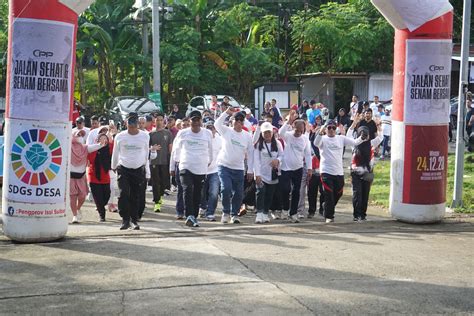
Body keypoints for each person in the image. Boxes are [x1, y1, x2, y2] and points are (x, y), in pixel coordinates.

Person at [111, 112, 155, 230]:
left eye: (134, 123)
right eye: (129, 123)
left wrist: (147, 171)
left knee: (136, 195)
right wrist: (113, 166)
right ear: (126, 123)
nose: (131, 126)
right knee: (123, 193)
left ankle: (134, 220)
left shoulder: (145, 136)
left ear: (138, 124)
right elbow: (116, 152)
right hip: (123, 168)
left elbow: (146, 154)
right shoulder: (120, 136)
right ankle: (125, 220)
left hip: (138, 168)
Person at [170, 110, 213, 227]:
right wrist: (174, 164)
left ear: (201, 121)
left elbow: (210, 150)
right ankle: (188, 215)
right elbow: (175, 149)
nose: (195, 122)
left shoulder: (207, 133)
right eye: (193, 120)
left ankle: (193, 216)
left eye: (197, 120)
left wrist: (208, 162)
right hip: (185, 166)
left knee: (197, 193)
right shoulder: (182, 133)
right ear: (189, 121)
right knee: (187, 189)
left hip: (200, 168)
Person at [313, 119, 361, 223]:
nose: (331, 130)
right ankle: (329, 216)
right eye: (329, 128)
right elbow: (316, 143)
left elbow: (355, 142)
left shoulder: (341, 138)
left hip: (338, 171)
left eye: (333, 128)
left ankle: (326, 206)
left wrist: (363, 137)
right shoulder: (323, 139)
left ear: (336, 129)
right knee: (329, 194)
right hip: (326, 171)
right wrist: (320, 132)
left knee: (338, 193)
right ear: (326, 129)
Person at [215, 108, 254, 224]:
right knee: (225, 188)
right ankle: (226, 212)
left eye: (241, 121)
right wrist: (226, 112)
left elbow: (251, 154)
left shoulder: (247, 136)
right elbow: (217, 124)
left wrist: (251, 170)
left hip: (239, 168)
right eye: (236, 120)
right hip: (224, 165)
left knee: (239, 192)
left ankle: (234, 214)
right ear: (233, 121)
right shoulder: (227, 131)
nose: (238, 123)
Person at [278, 110, 313, 223]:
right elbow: (280, 132)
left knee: (296, 191)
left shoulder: (305, 139)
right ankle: (284, 208)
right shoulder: (288, 136)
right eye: (297, 130)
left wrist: (309, 168)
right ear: (293, 128)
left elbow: (307, 154)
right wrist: (289, 121)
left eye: (301, 131)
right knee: (285, 189)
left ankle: (293, 213)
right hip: (286, 167)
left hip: (298, 168)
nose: (298, 133)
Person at [349, 117, 383, 221]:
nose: (365, 135)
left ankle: (363, 215)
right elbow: (348, 135)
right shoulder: (354, 144)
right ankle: (356, 215)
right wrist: (354, 124)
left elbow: (380, 138)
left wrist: (378, 126)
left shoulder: (372, 143)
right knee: (357, 194)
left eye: (366, 133)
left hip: (368, 172)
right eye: (362, 133)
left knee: (365, 194)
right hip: (355, 172)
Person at [70, 130, 104, 224]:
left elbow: (97, 146)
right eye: (78, 134)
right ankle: (74, 215)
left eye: (81, 135)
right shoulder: (68, 147)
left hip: (81, 176)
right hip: (70, 177)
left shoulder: (85, 148)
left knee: (82, 196)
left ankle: (78, 208)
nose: (80, 136)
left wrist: (103, 141)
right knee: (72, 197)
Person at [253, 122, 283, 224]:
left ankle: (265, 213)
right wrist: (257, 174)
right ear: (262, 134)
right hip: (261, 173)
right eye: (265, 133)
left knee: (269, 195)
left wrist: (277, 160)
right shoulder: (258, 145)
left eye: (269, 132)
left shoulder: (277, 143)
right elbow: (256, 160)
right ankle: (259, 213)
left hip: (272, 174)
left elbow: (282, 155)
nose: (267, 135)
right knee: (260, 193)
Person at [149, 112, 173, 212]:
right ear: (154, 121)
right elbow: (146, 148)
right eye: (157, 120)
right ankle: (157, 202)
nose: (159, 122)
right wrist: (152, 148)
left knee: (163, 183)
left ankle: (160, 197)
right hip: (154, 162)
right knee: (155, 183)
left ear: (164, 121)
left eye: (161, 120)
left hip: (165, 162)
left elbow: (171, 149)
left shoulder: (168, 133)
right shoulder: (150, 134)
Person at [199, 119, 222, 221]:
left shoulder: (220, 139)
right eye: (208, 127)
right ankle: (203, 207)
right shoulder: (200, 138)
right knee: (201, 192)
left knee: (214, 192)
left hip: (215, 170)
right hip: (201, 170)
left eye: (212, 128)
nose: (210, 130)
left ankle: (210, 212)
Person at [88, 132, 113, 222]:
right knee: (98, 198)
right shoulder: (93, 149)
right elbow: (90, 159)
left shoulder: (109, 148)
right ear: (97, 140)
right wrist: (98, 146)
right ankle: (102, 215)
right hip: (94, 176)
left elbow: (114, 145)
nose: (103, 140)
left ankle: (101, 206)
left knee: (107, 196)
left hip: (105, 177)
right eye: (101, 139)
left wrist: (112, 134)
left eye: (105, 139)